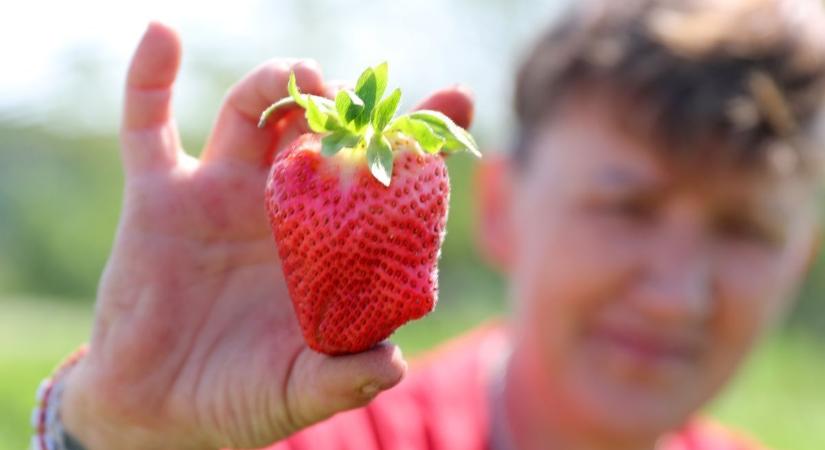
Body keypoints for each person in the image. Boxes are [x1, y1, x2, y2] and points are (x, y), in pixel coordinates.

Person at [37, 0, 825, 449]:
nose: (675, 295)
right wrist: (116, 432)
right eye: (624, 208)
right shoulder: (329, 435)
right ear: (499, 208)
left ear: (804, 255)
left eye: (745, 230)